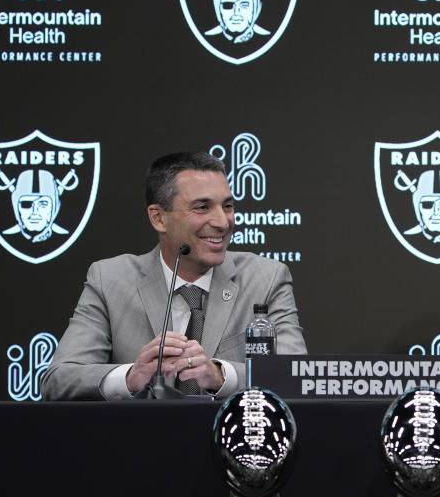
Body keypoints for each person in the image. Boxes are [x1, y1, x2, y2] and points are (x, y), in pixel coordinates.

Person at [42, 151, 306, 400]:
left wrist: (221, 374)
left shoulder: (265, 279)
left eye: (227, 206)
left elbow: (296, 376)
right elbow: (58, 379)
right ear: (159, 218)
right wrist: (130, 377)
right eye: (202, 207)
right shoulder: (110, 279)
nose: (223, 222)